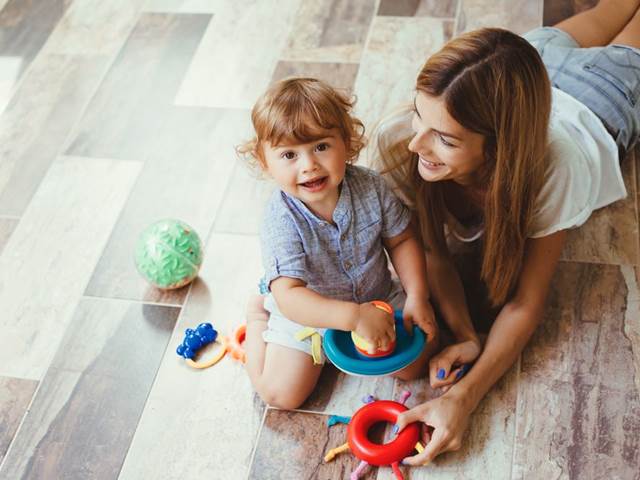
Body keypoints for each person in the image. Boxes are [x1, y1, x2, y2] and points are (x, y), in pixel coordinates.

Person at [373, 0, 640, 466]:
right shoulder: (405, 137)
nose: (417, 144)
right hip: (533, 62)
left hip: (602, 96)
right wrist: (465, 333)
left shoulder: (556, 170)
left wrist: (465, 398)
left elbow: (526, 302)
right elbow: (433, 253)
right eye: (420, 115)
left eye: (445, 139)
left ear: (499, 149)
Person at [236, 77, 441, 410]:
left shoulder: (371, 187)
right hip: (306, 315)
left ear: (346, 142)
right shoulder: (280, 219)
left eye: (320, 146)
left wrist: (418, 295)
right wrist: (352, 318)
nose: (309, 165)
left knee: (417, 362)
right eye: (289, 154)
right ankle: (259, 315)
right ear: (265, 162)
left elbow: (403, 239)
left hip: (377, 297)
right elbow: (290, 295)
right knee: (281, 395)